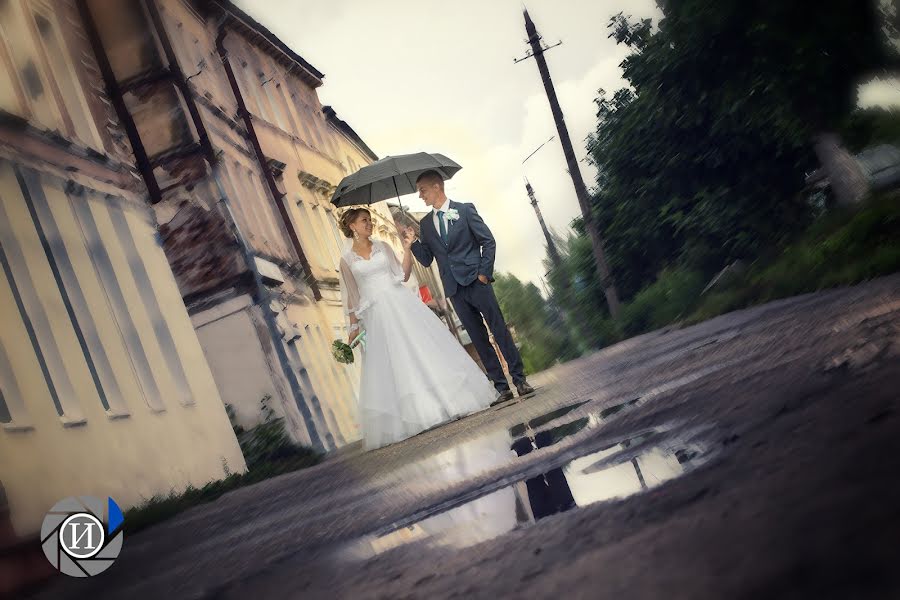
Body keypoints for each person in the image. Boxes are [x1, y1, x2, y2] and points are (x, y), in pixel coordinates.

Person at [338, 207, 497, 450]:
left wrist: (409, 248)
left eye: (370, 220)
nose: (369, 224)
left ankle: (445, 404)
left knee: (422, 350)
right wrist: (352, 327)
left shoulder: (382, 246)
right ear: (352, 226)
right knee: (395, 363)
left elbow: (402, 274)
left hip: (400, 303)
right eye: (364, 221)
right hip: (376, 314)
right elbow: (352, 296)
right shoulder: (347, 260)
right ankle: (411, 417)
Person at [406, 170, 534, 403]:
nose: (420, 196)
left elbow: (488, 241)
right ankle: (502, 387)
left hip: (477, 282)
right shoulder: (425, 224)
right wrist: (413, 242)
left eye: (422, 190)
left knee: (499, 330)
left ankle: (520, 380)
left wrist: (484, 274)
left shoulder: (465, 210)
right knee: (478, 338)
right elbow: (426, 259)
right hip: (454, 289)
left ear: (437, 187)